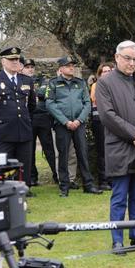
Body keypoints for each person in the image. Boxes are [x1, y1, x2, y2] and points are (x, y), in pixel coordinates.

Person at [95, 40, 135, 252]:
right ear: (116, 58)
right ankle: (117, 239)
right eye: (127, 58)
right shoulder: (105, 83)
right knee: (119, 198)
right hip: (120, 149)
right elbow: (108, 116)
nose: (132, 63)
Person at [0, 47, 37, 188]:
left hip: (24, 131)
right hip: (3, 132)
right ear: (3, 61)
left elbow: (32, 105)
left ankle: (22, 197)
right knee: (4, 169)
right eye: (11, 59)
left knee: (24, 167)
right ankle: (4, 199)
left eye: (17, 59)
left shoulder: (26, 80)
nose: (15, 62)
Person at [46, 56, 102, 196]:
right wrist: (65, 121)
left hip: (79, 124)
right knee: (63, 155)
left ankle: (88, 185)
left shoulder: (80, 83)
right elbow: (50, 104)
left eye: (72, 65)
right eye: (68, 65)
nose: (71, 67)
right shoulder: (53, 83)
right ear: (61, 69)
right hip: (62, 125)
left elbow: (87, 103)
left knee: (83, 154)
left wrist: (79, 120)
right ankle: (64, 187)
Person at [23, 58, 58, 186]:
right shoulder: (20, 80)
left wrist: (34, 93)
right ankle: (32, 177)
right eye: (27, 67)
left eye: (32, 67)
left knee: (49, 148)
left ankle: (56, 174)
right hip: (28, 118)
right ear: (22, 68)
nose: (30, 69)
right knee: (29, 149)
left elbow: (45, 93)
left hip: (43, 117)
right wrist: (37, 94)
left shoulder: (43, 80)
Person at [89, 62, 113, 190]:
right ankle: (103, 180)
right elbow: (96, 100)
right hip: (99, 120)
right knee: (102, 151)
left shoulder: (116, 85)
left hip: (113, 121)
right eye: (104, 71)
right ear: (99, 74)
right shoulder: (95, 85)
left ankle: (112, 179)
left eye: (109, 71)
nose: (107, 73)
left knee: (113, 150)